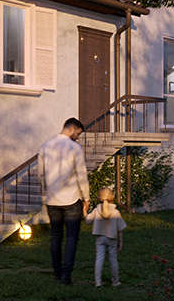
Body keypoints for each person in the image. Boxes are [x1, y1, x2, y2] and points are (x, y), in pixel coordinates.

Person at [38, 117, 90, 285]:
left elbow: (40, 174)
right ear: (72, 129)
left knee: (55, 237)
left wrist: (45, 194)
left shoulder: (45, 146)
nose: (78, 137)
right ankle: (66, 276)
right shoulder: (75, 148)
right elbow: (81, 175)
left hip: (52, 199)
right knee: (71, 238)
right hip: (71, 199)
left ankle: (56, 272)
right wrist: (86, 198)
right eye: (78, 133)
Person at [85, 187, 126, 288]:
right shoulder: (116, 212)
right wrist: (120, 242)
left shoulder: (96, 210)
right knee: (113, 260)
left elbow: (87, 221)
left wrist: (84, 211)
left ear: (100, 198)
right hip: (112, 239)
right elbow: (120, 229)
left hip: (99, 238)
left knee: (99, 259)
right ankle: (115, 282)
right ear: (112, 197)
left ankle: (98, 282)